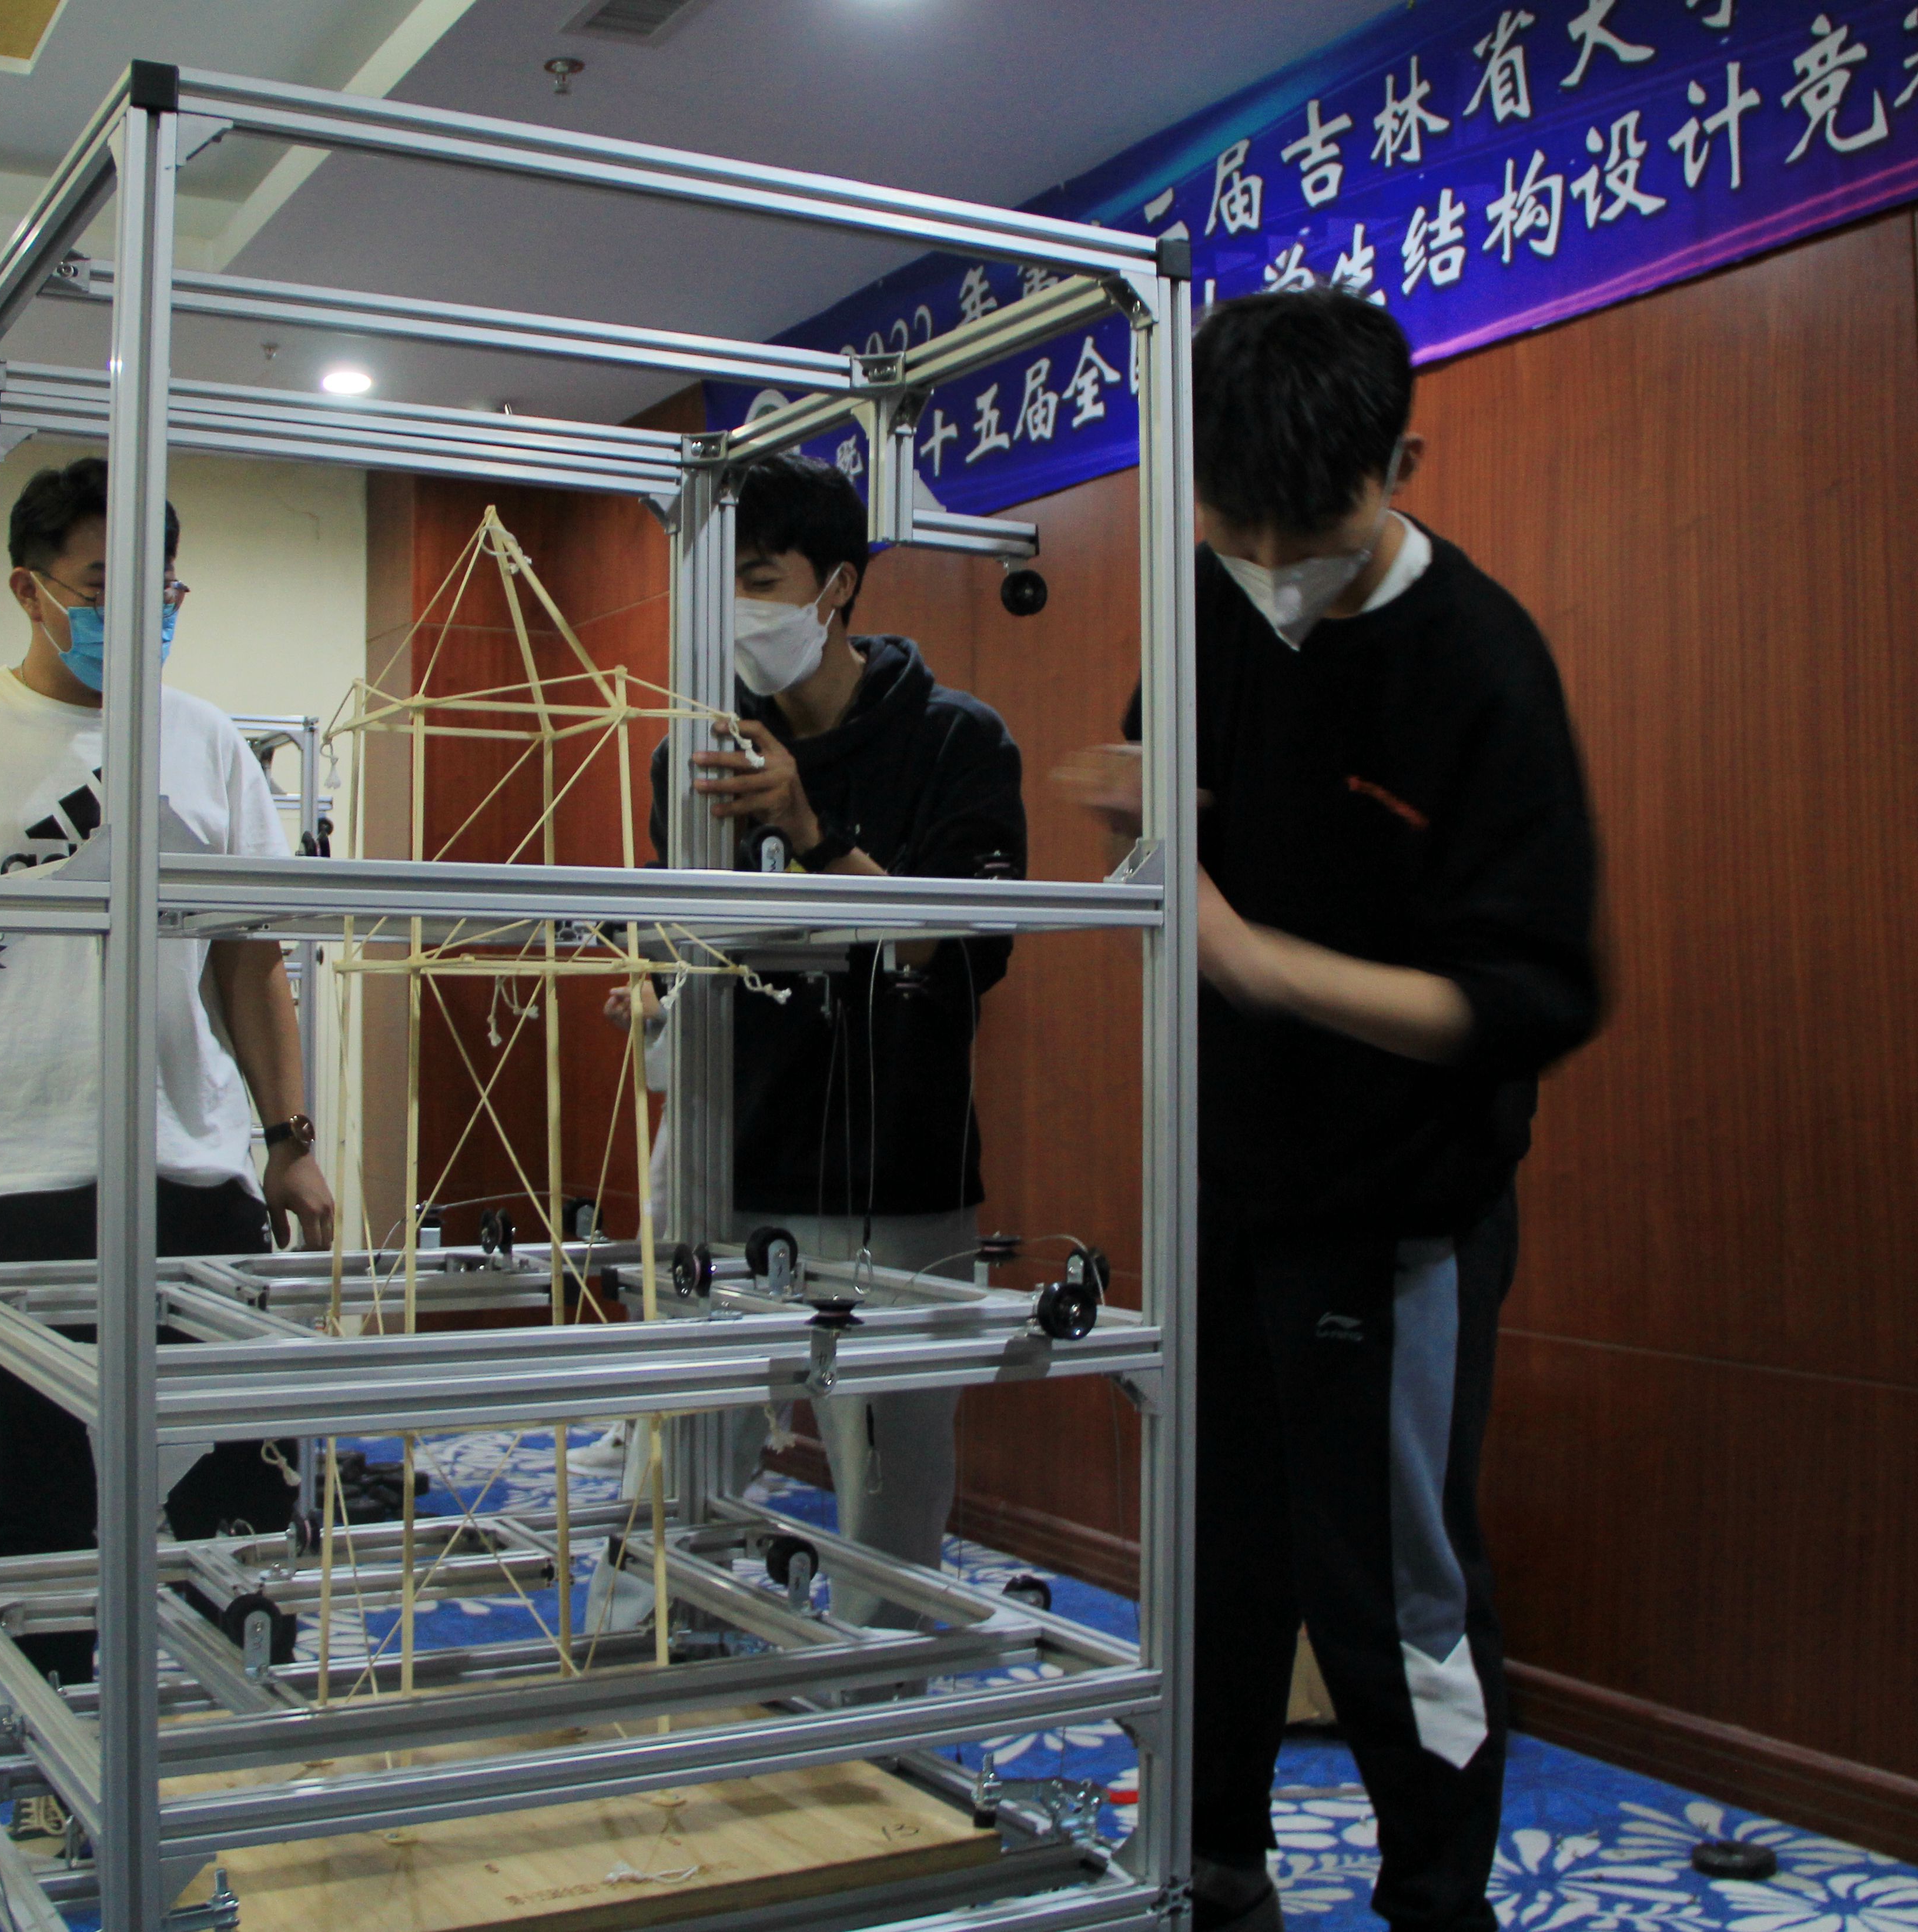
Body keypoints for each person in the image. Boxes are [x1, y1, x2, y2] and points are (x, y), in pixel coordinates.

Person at [1065, 289, 1599, 1932]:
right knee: (1215, 1557)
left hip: (1393, 1214)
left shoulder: (1480, 663)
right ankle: (1214, 1869)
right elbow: (1175, 829)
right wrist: (1141, 832)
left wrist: (1258, 965)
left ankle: (1436, 1902)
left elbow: (1534, 998)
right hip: (1222, 1183)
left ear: (1401, 466)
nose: (1268, 566)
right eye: (1233, 530)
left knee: (1391, 1597)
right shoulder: (1208, 601)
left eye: (1307, 535)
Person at [0, 456, 335, 1686]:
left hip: (188, 1162)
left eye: (161, 590)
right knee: (37, 1499)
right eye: (104, 588)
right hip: (12, 1172)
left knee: (235, 1472)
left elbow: (249, 965)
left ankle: (232, 1712)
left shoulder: (206, 744)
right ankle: (41, 1729)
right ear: (30, 590)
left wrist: (290, 1138)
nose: (140, 614)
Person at [611, 451, 1026, 1628]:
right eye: (718, 584)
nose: (737, 610)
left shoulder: (955, 741)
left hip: (891, 1177)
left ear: (837, 585)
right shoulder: (692, 749)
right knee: (672, 1470)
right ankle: (650, 1672)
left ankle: (881, 1703)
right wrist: (651, 984)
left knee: (889, 1505)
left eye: (760, 579)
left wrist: (810, 830)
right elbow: (679, 936)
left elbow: (960, 952)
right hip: (718, 1160)